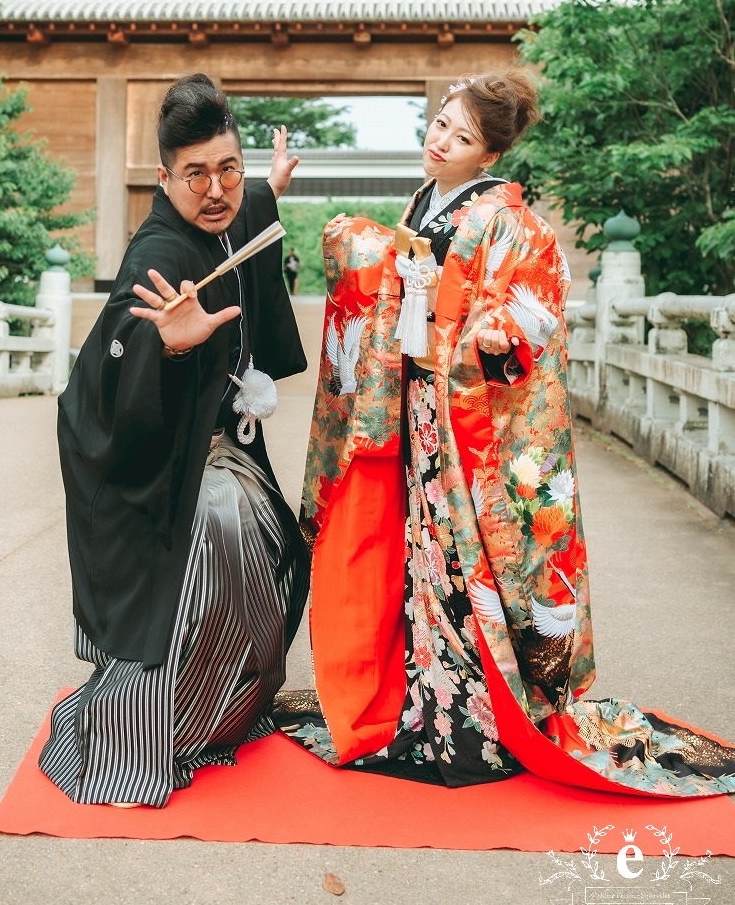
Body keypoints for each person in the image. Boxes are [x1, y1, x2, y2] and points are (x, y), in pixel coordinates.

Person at [279, 69, 735, 798]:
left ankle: (474, 712)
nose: (439, 141)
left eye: (459, 137)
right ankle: (419, 694)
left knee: (463, 560)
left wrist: (453, 327)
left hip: (464, 426)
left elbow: (529, 319)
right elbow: (398, 283)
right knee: (415, 557)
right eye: (437, 125)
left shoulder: (506, 221)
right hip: (414, 403)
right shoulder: (426, 199)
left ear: (487, 157)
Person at [39, 73, 310, 807]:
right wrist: (175, 348)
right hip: (166, 459)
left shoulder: (230, 204)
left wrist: (272, 185)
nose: (216, 189)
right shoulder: (157, 253)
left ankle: (221, 708)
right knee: (219, 533)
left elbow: (244, 210)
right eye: (195, 175)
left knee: (265, 541)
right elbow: (121, 350)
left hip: (213, 445)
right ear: (164, 178)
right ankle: (143, 732)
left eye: (230, 168)